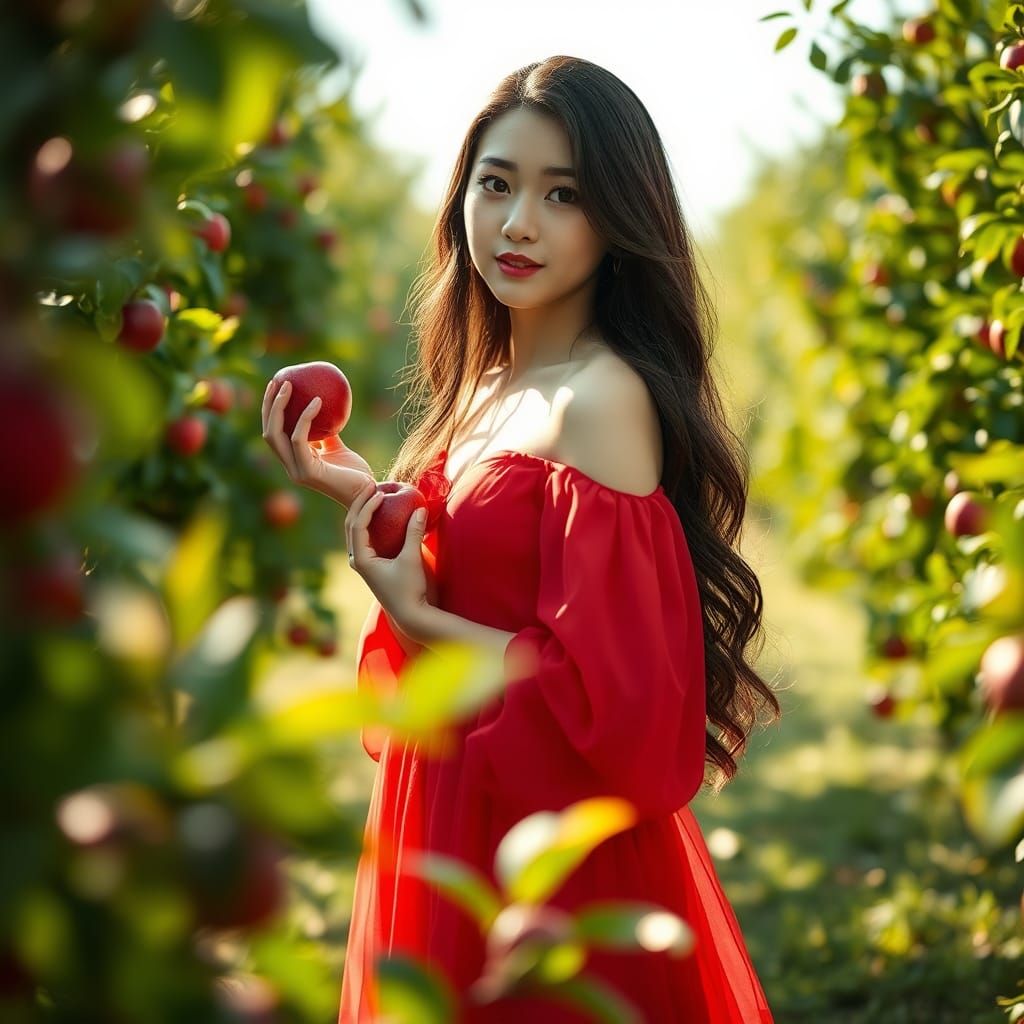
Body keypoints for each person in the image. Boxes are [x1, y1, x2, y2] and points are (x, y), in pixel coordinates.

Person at [263, 54, 780, 1023]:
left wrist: (416, 618)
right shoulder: (485, 386)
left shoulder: (603, 398)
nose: (517, 223)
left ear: (618, 220)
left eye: (563, 194)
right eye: (496, 184)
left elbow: (602, 699)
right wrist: (361, 491)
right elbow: (483, 577)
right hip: (450, 796)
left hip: (546, 836)